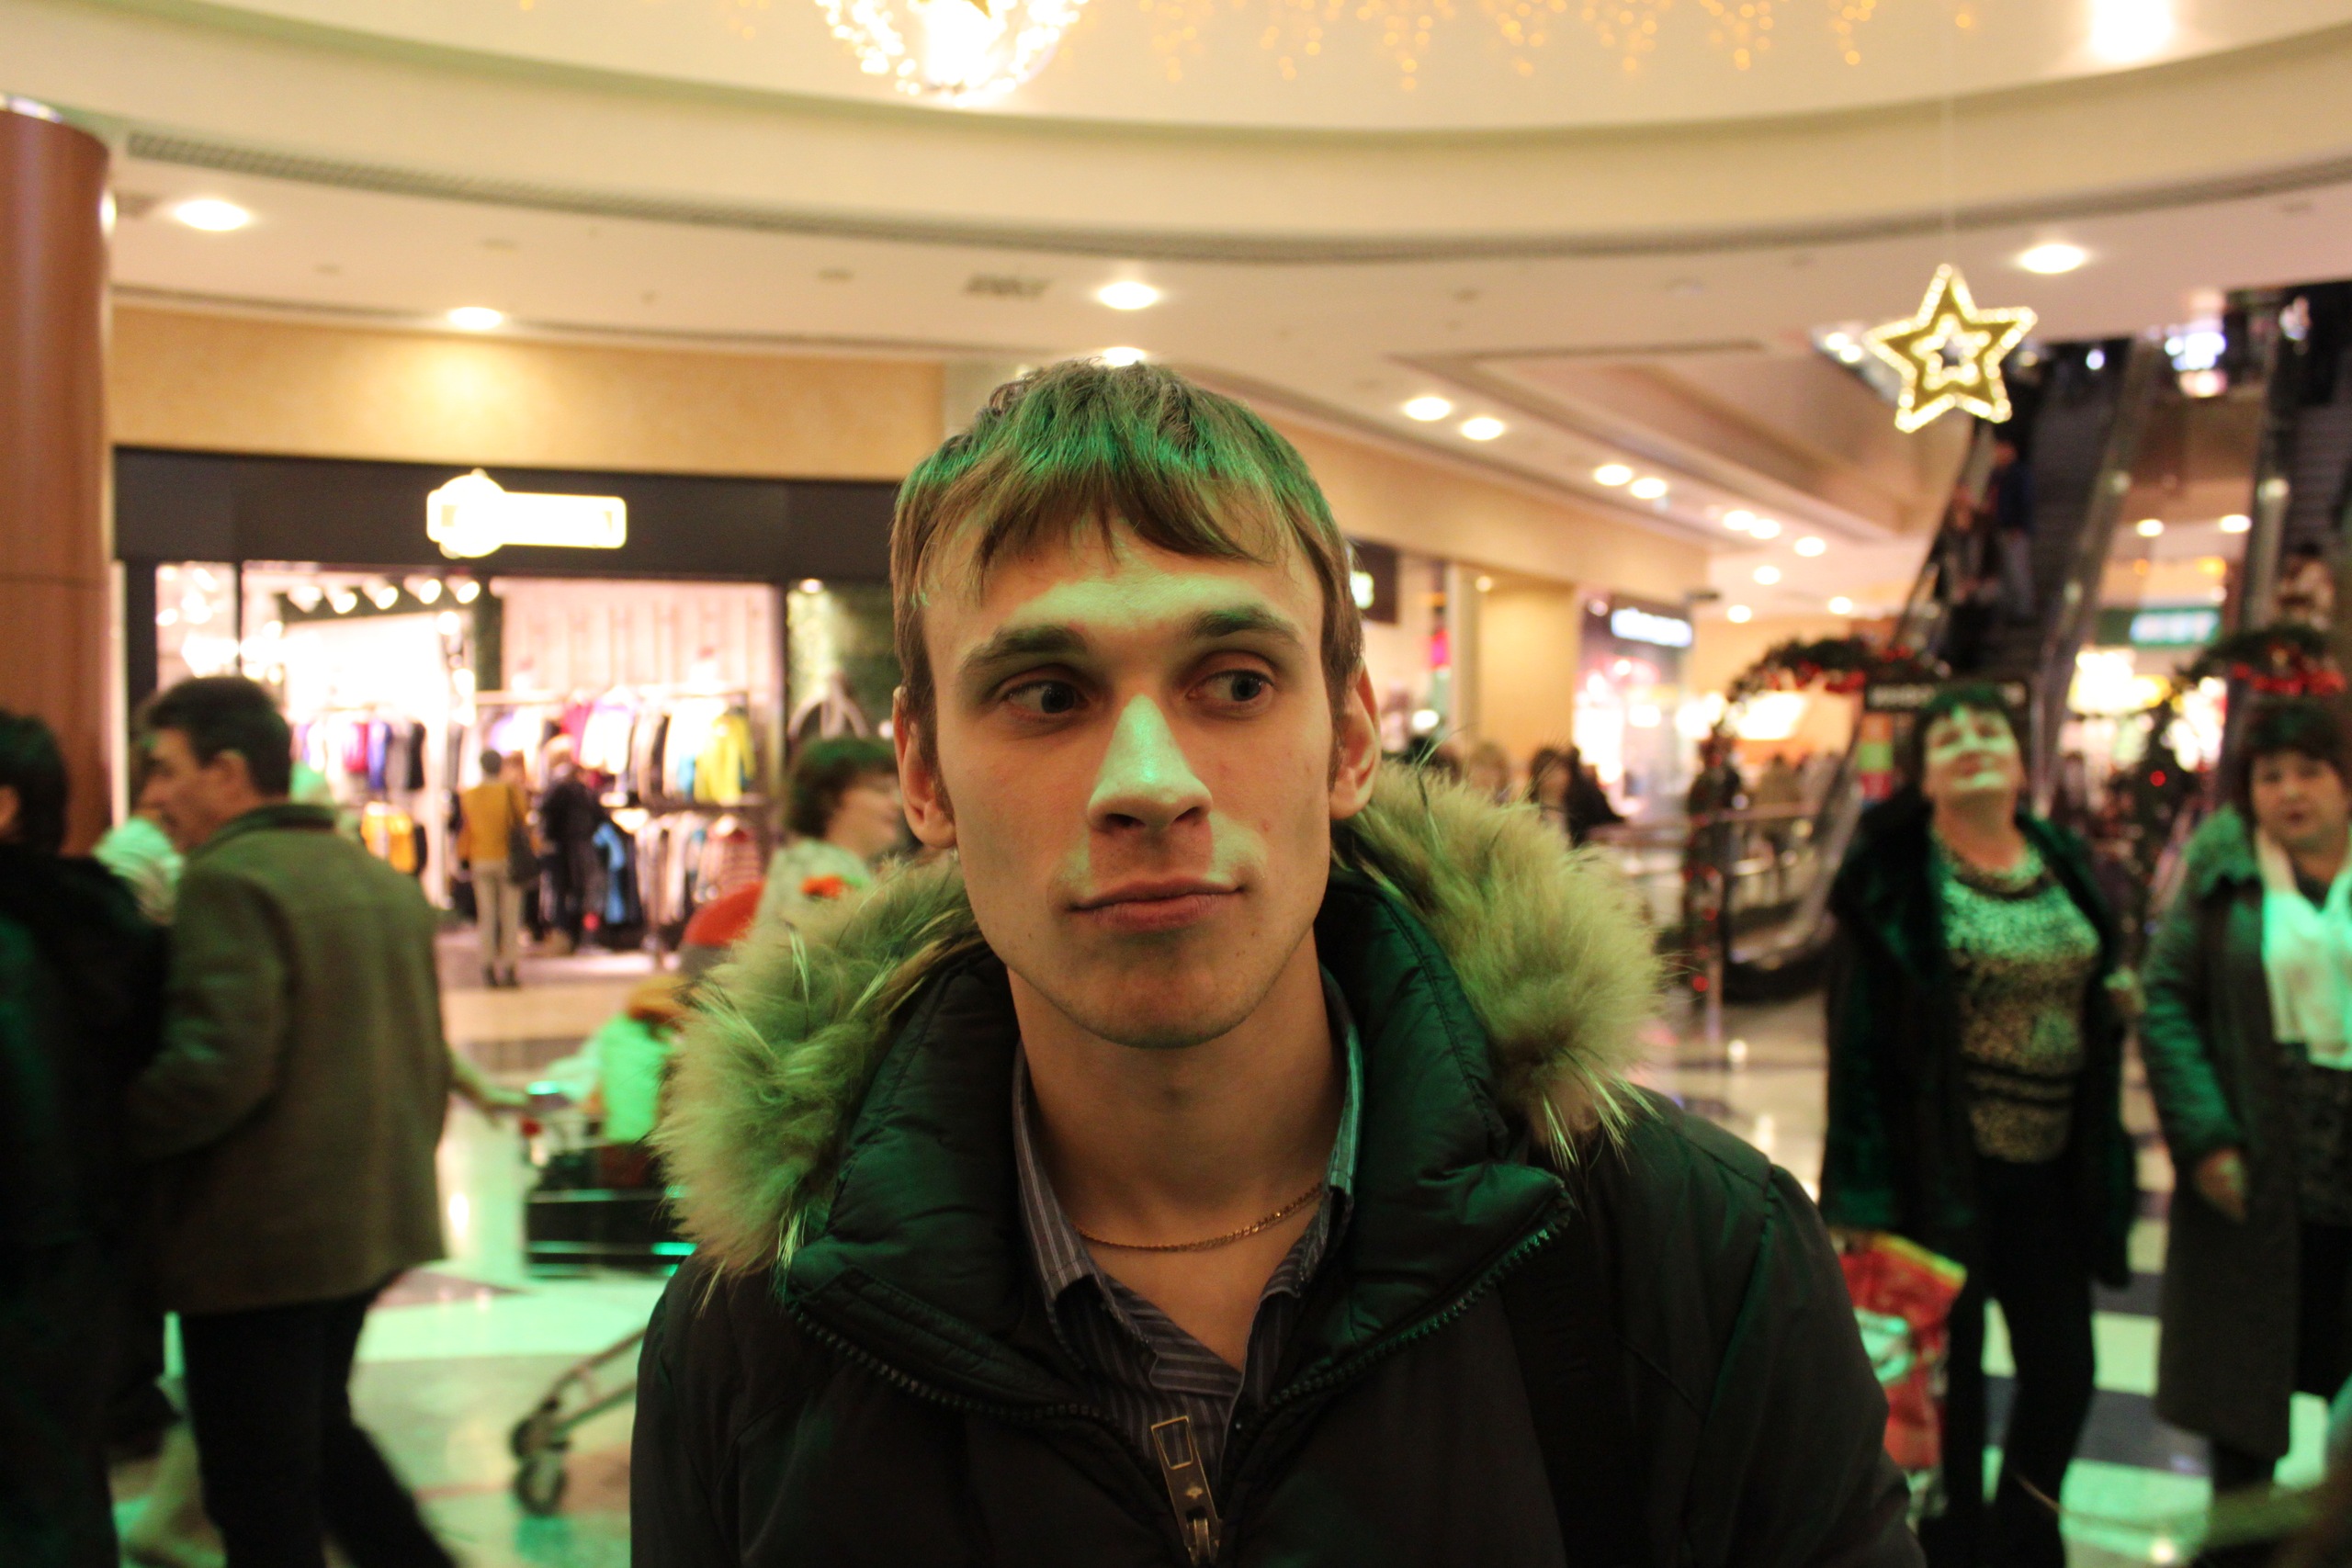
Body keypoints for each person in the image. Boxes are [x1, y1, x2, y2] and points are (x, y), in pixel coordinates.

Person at [635, 361, 1915, 1567]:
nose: (1149, 783)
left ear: (1349, 740)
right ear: (924, 774)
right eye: (1047, 695)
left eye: (1236, 684)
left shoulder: (1691, 1258)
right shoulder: (753, 1343)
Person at [130, 676, 516, 1568]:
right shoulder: (373, 878)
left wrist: (108, 1134)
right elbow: (422, 1053)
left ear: (229, 772)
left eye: (167, 769)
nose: (153, 795)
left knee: (258, 1488)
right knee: (317, 1437)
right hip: (368, 1224)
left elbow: (216, 1069)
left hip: (261, 1240)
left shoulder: (228, 881)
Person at [1821, 684, 2138, 1568]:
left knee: (2064, 1372)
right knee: (1945, 1389)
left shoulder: (2060, 856)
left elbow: (2096, 971)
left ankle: (2028, 1532)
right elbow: (1855, 1046)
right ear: (1923, 775)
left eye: (1988, 727)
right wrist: (1862, 1201)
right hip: (1935, 1178)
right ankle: (1956, 1547)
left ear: (2020, 759)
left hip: (2052, 1172)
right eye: (1947, 734)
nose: (1970, 741)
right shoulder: (1889, 880)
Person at [2141, 699, 2352, 1521]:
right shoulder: (2223, 873)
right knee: (2243, 1388)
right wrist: (2205, 1138)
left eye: (2310, 772)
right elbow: (2166, 999)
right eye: (2270, 776)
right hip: (2259, 1160)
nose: (2290, 791)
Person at [0, 711, 166, 1568]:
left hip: (29, 1267)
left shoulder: (16, 941)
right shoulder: (75, 920)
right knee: (60, 1484)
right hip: (82, 1265)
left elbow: (29, 1126)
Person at [749, 735, 902, 932]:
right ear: (829, 800)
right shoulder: (822, 878)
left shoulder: (806, 862)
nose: (897, 803)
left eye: (896, 791)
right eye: (882, 790)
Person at [456, 748, 530, 987]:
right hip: (508, 859)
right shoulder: (510, 792)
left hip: (481, 858)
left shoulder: (470, 795)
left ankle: (487, 967)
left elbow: (467, 827)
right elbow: (522, 819)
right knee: (510, 916)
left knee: (486, 917)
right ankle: (509, 967)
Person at [537, 741, 605, 955]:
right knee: (582, 892)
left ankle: (563, 936)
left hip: (560, 849)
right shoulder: (584, 792)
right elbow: (600, 815)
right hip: (581, 847)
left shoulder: (556, 788)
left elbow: (546, 813)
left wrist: (550, 838)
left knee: (560, 893)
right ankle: (581, 937)